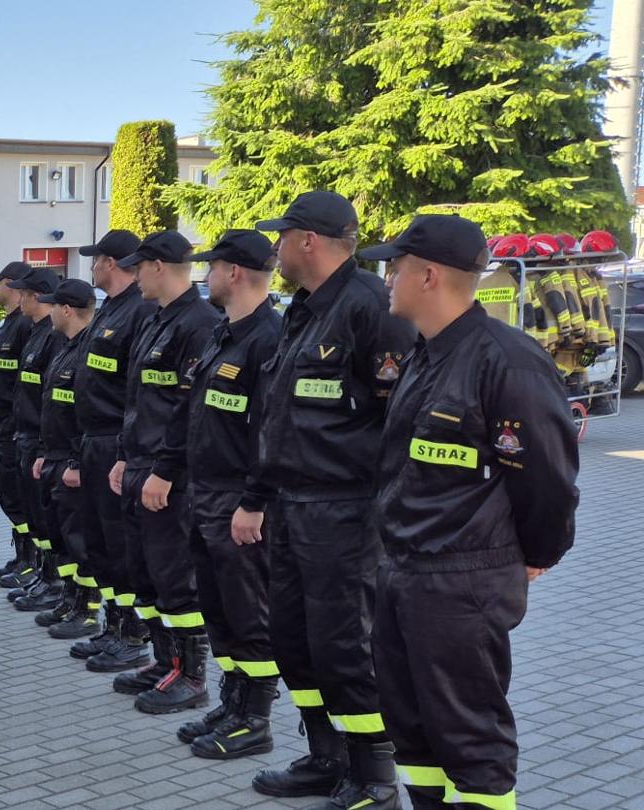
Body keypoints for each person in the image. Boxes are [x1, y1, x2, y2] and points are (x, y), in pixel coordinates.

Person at [368, 214, 578, 810]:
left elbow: (547, 479)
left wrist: (536, 553)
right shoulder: (424, 355)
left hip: (461, 578)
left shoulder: (506, 360)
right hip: (404, 568)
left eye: (395, 267)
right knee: (412, 727)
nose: (387, 279)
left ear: (428, 276)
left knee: (469, 736)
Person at [236, 191, 416, 807]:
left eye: (283, 237)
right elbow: (280, 414)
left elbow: (401, 418)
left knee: (345, 647)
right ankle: (325, 755)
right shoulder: (305, 309)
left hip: (346, 511)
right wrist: (259, 495)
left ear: (308, 241)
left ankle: (374, 777)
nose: (277, 248)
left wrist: (385, 513)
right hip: (292, 505)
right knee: (295, 640)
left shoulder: (370, 307)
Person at [165, 230, 283, 760]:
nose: (205, 274)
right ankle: (233, 703)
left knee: (249, 613)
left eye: (211, 266)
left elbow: (271, 432)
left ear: (234, 272)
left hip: (239, 502)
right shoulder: (224, 334)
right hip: (206, 495)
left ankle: (255, 719)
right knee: (220, 610)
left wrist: (253, 502)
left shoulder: (268, 339)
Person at [115, 231, 224, 716]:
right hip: (141, 465)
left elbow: (188, 410)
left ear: (159, 266)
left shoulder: (200, 324)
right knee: (148, 574)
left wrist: (165, 469)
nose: (134, 276)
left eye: (139, 267)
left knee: (177, 578)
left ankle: (192, 674)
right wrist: (126, 456)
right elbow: (139, 399)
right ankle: (165, 661)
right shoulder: (157, 319)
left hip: (169, 476)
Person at [68, 229, 157, 677]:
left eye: (96, 259)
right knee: (100, 544)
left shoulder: (139, 311)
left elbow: (135, 390)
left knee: (121, 546)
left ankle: (134, 636)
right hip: (93, 441)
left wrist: (124, 449)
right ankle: (115, 625)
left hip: (115, 442)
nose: (92, 266)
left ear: (113, 263)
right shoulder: (111, 309)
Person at [32, 278, 98, 644]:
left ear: (67, 310)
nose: (50, 311)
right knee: (63, 536)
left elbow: (86, 414)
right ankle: (70, 600)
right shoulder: (65, 347)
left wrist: (75, 461)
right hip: (55, 458)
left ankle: (87, 611)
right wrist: (45, 452)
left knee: (80, 540)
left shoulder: (87, 351)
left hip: (73, 462)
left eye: (54, 305)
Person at [0, 267, 59, 610]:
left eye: (24, 294)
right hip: (22, 432)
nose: (19, 298)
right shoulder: (35, 331)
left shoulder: (50, 335)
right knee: (31, 510)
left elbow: (51, 398)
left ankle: (54, 581)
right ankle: (41, 572)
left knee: (47, 517)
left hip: (39, 439)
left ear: (37, 297)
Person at [0, 262, 38, 587]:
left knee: (20, 497)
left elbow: (26, 383)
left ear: (14, 286)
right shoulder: (11, 323)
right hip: (2, 423)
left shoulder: (25, 326)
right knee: (9, 495)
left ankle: (32, 562)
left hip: (15, 425)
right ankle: (21, 556)